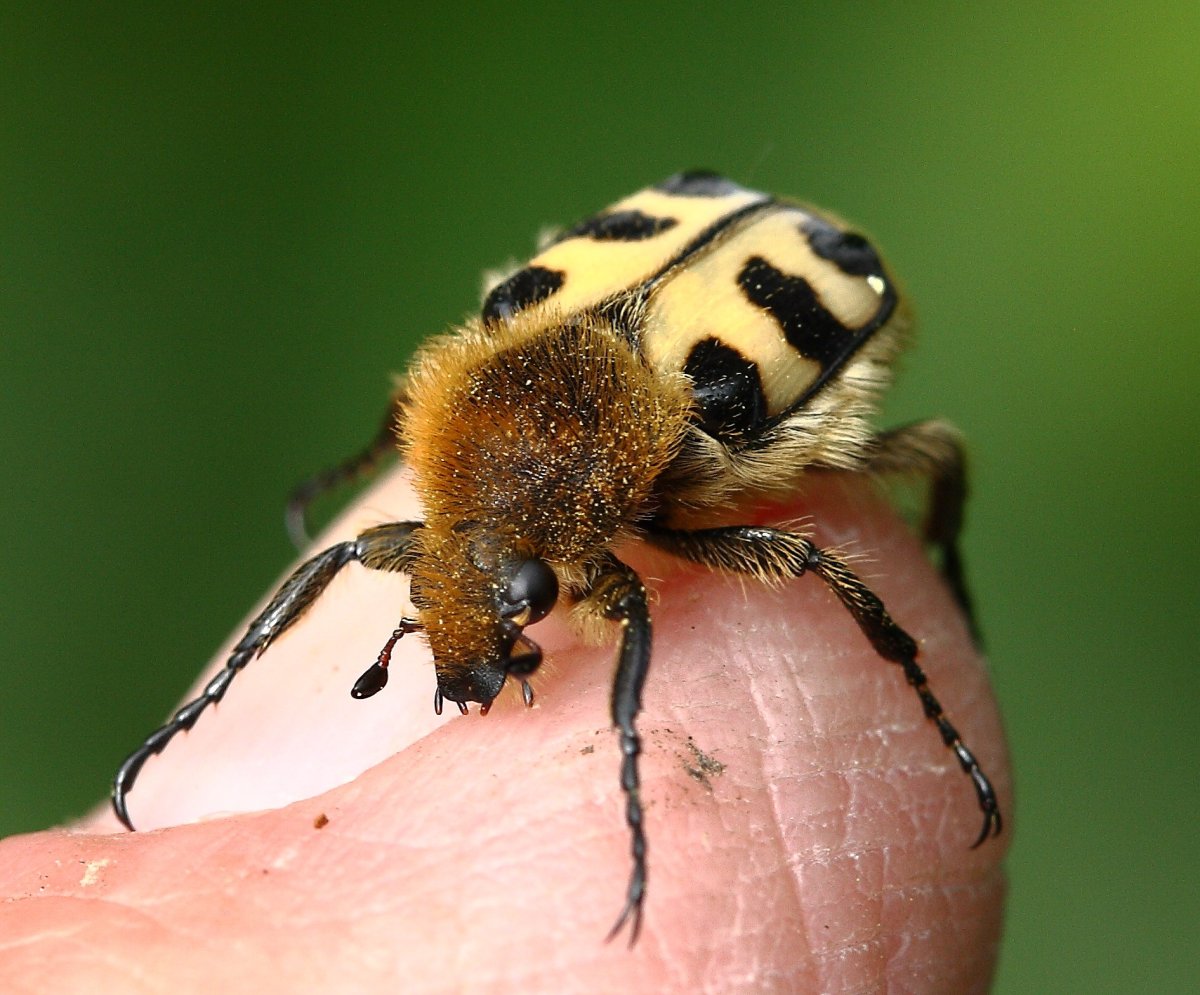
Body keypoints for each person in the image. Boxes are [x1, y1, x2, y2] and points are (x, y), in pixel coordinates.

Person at [0, 468, 1010, 992]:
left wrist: (631, 752)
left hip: (728, 328)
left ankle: (921, 658)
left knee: (823, 550)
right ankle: (224, 694)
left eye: (518, 600)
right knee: (360, 545)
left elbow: (726, 582)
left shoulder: (647, 499)